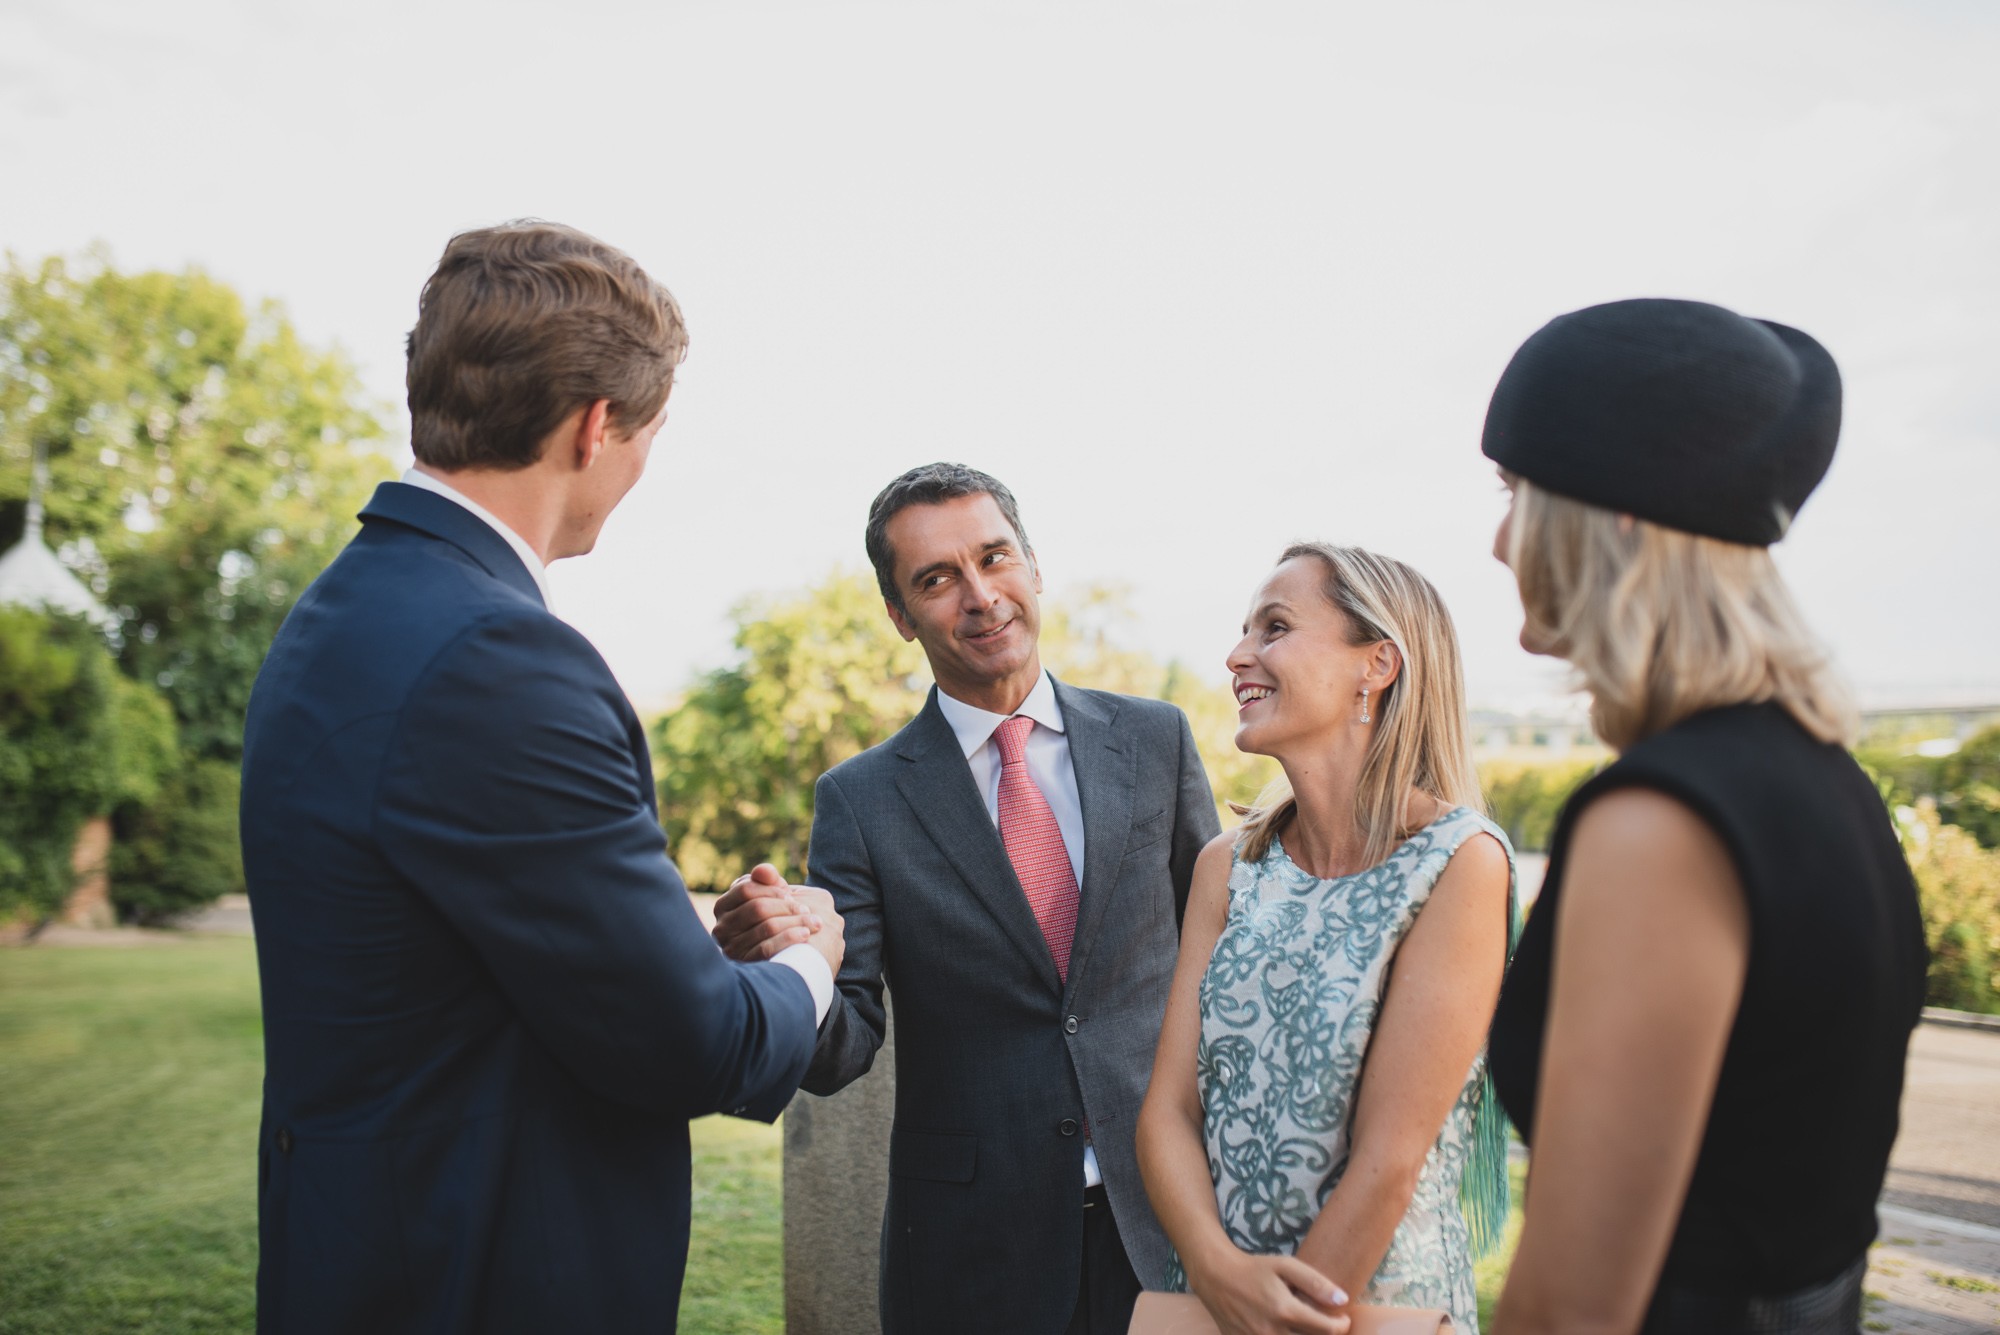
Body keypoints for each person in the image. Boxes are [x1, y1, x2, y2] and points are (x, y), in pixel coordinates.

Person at [239, 221, 842, 1335]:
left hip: (364, 1259)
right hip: (475, 1279)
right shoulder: (498, 659)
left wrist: (669, 952)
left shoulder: (343, 612)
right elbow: (694, 1045)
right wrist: (808, 960)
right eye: (650, 431)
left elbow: (467, 955)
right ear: (596, 425)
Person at [1480, 299, 1929, 1334]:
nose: (1499, 540)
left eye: (1514, 491)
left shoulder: (1659, 825)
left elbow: (1571, 1308)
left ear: (1614, 511)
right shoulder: (1827, 783)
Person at [711, 462, 1222, 1334]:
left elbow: (1221, 967)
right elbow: (843, 1049)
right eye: (938, 579)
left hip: (1169, 1222)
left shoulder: (1156, 739)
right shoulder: (862, 800)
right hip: (972, 1253)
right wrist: (789, 961)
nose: (981, 596)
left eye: (996, 557)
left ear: (1033, 564)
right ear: (901, 617)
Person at [1136, 543, 1515, 1335]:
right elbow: (1168, 1112)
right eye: (1245, 630)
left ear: (1376, 664)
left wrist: (1279, 1321)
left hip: (1372, 1307)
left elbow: (1389, 1158)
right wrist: (1216, 1270)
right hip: (1212, 1297)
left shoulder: (1458, 863)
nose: (1239, 654)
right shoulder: (1226, 867)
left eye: (1274, 627)